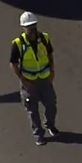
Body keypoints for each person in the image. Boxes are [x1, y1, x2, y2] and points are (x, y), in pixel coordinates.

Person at [11, 11, 57, 144]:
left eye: (33, 25)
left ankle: (50, 124)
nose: (32, 29)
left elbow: (50, 55)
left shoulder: (44, 38)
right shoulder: (18, 44)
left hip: (45, 79)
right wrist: (23, 80)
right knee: (33, 110)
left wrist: (52, 71)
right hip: (29, 82)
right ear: (24, 28)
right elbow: (13, 63)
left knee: (51, 104)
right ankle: (38, 134)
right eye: (29, 26)